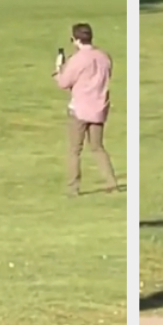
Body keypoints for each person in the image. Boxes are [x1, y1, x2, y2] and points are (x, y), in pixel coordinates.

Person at [53, 23, 119, 196]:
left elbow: (63, 83)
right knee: (98, 147)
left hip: (80, 109)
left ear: (75, 40)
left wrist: (58, 70)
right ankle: (111, 183)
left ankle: (72, 187)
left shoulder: (77, 60)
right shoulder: (104, 57)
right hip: (99, 108)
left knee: (75, 150)